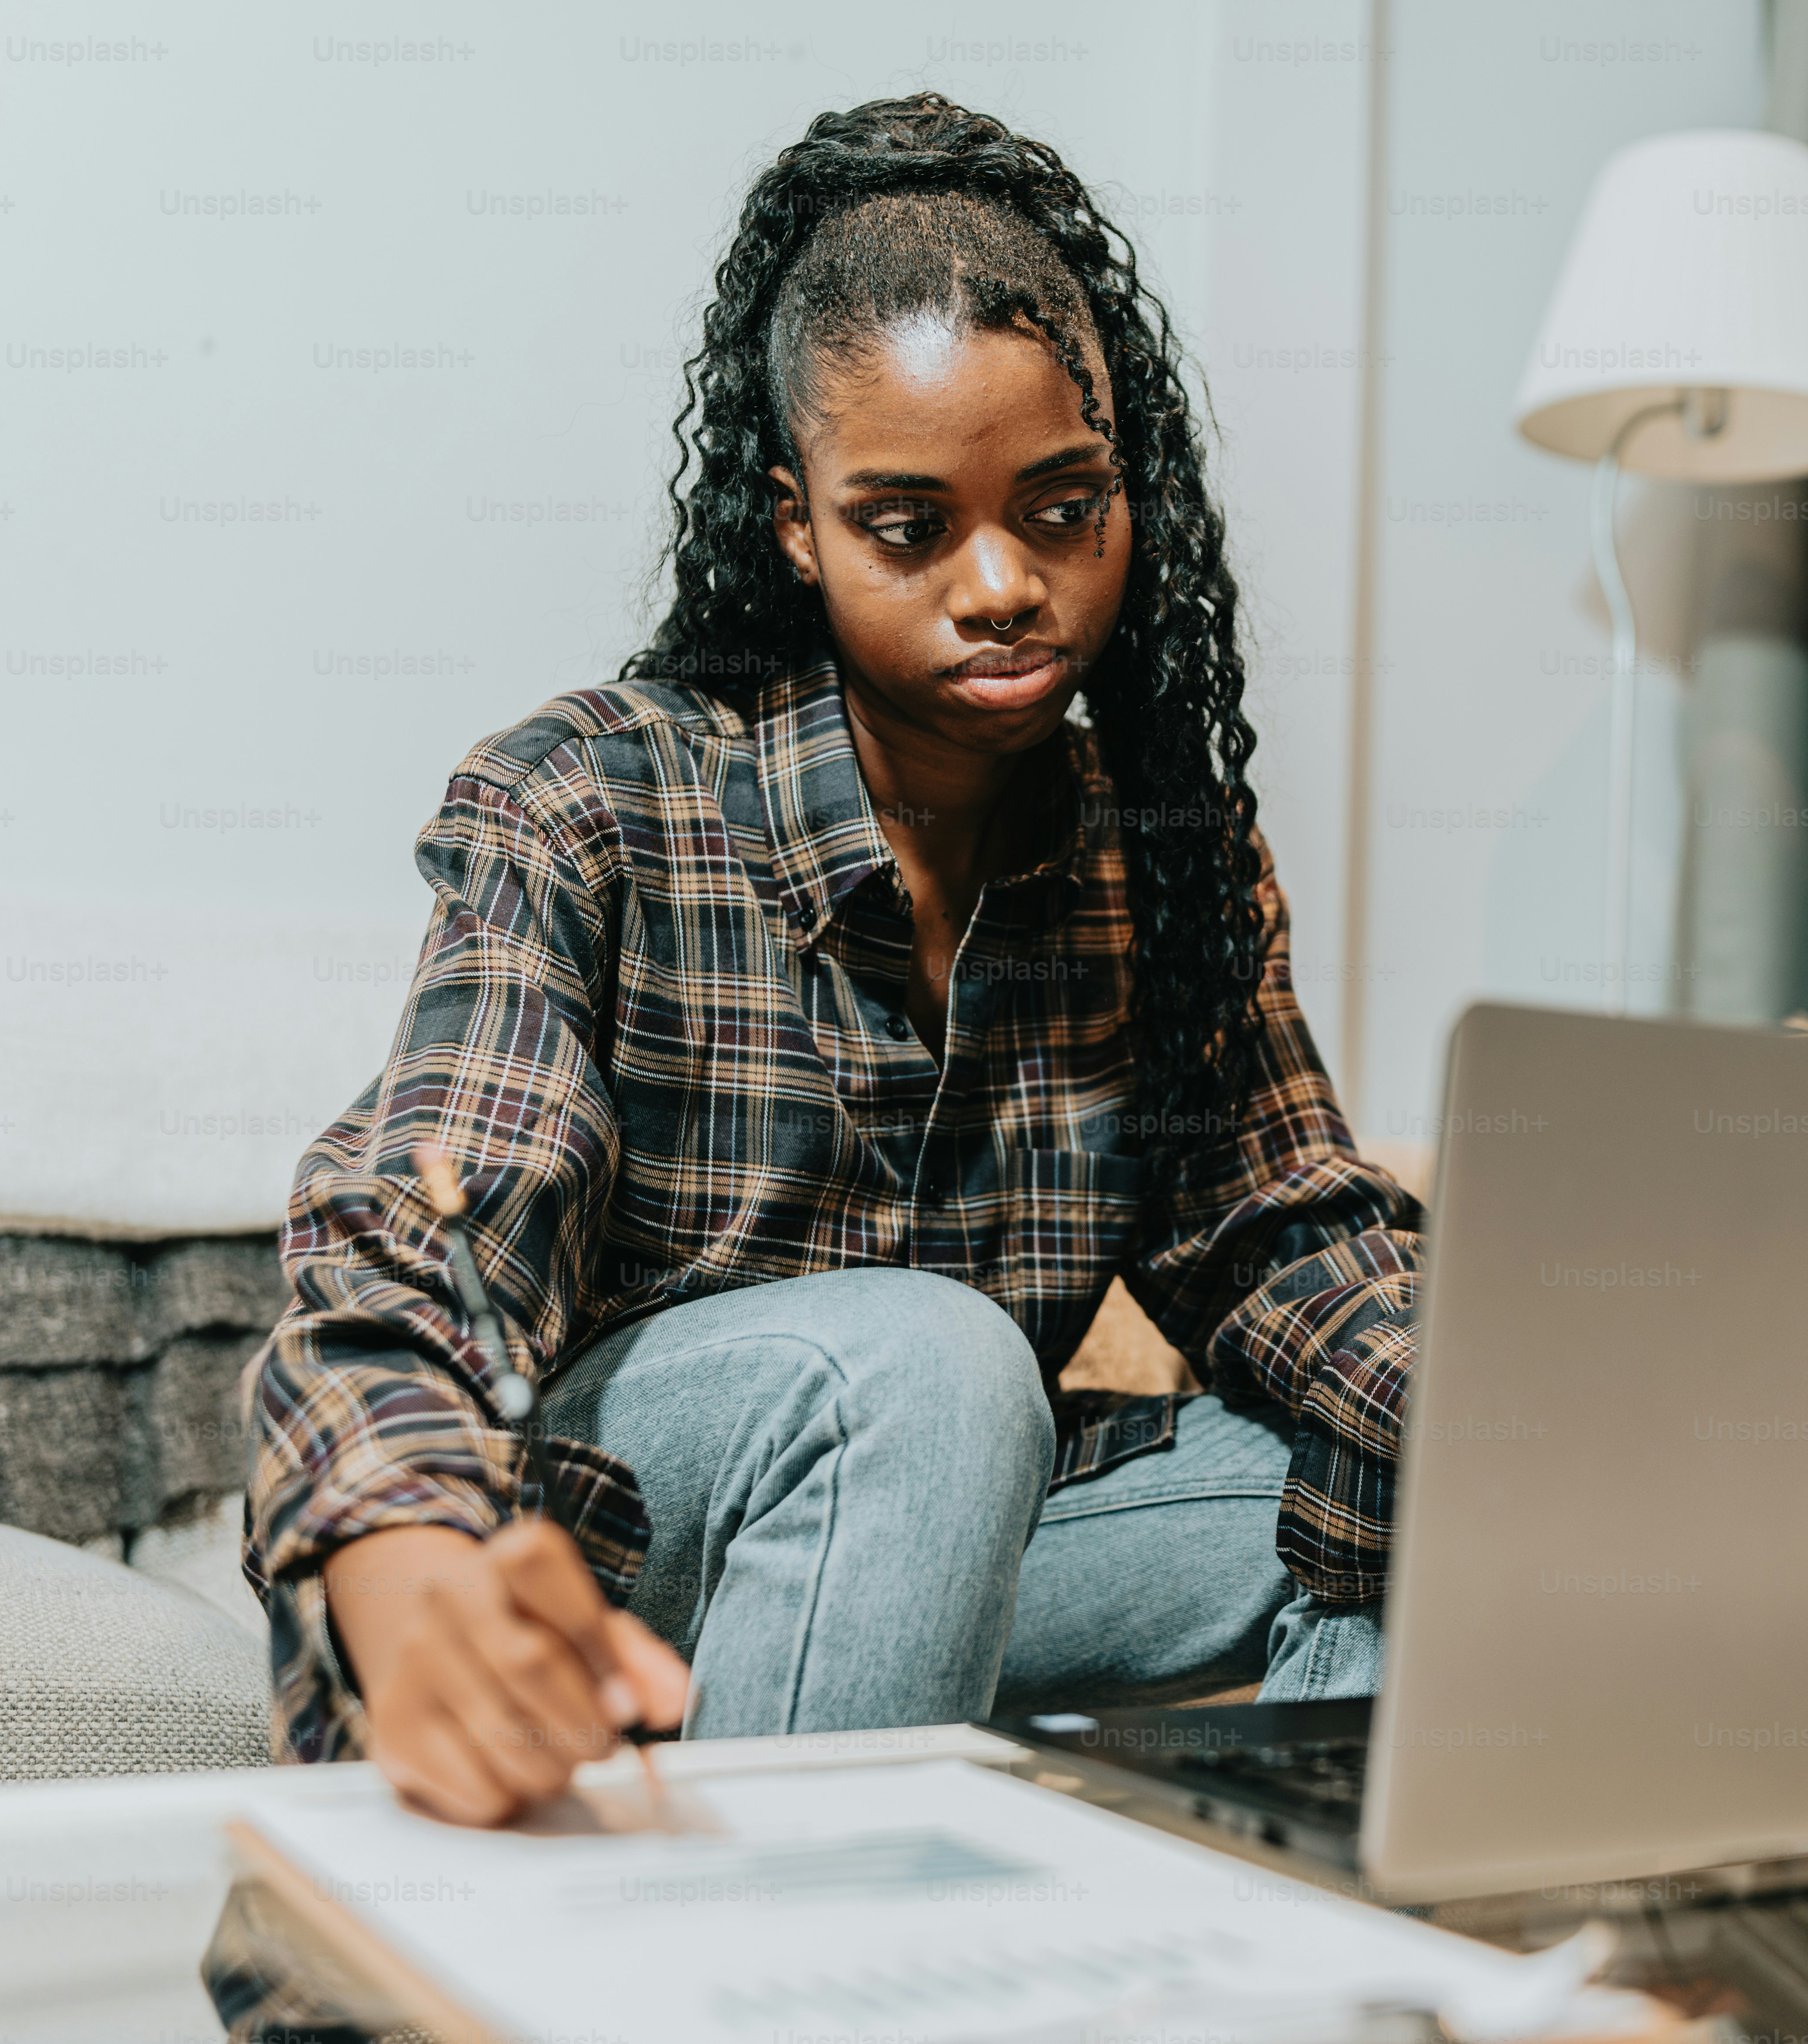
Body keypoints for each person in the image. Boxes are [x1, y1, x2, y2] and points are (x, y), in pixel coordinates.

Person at [244, 93, 1424, 1827]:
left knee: (1428, 1472)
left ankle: (1325, 1962)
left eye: (1062, 506)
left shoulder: (1157, 854)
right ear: (796, 523)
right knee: (929, 1369)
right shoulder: (590, 797)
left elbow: (1275, 1234)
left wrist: (1541, 1404)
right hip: (619, 1551)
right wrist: (405, 1554)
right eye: (909, 525)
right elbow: (416, 1236)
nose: (1005, 582)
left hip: (936, 1549)